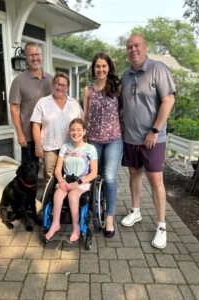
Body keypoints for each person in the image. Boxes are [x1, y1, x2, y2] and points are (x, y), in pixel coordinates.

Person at [120, 34, 176, 249]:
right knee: (134, 174)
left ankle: (161, 226)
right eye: (129, 47)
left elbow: (168, 100)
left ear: (145, 47)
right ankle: (135, 211)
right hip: (131, 138)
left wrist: (154, 130)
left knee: (156, 181)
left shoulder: (158, 69)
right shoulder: (126, 76)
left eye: (136, 45)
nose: (132, 49)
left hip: (153, 139)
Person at [83, 52, 123, 238]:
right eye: (97, 66)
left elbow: (124, 111)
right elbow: (85, 115)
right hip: (93, 141)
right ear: (93, 69)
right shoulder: (88, 90)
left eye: (104, 66)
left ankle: (109, 218)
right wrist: (82, 137)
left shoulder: (116, 87)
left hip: (114, 140)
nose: (100, 69)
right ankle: (92, 208)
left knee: (109, 178)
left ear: (109, 68)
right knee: (92, 177)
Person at [44, 118, 98, 243]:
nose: (75, 133)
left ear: (84, 131)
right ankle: (55, 224)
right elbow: (58, 171)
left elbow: (94, 173)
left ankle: (76, 228)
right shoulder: (65, 147)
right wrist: (61, 181)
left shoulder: (90, 149)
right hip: (66, 180)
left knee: (73, 195)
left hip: (82, 182)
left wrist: (77, 183)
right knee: (58, 194)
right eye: (73, 130)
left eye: (79, 130)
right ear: (69, 132)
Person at [30, 72, 83, 182]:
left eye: (63, 85)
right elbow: (35, 125)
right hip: (50, 148)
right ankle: (49, 199)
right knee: (50, 179)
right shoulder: (43, 102)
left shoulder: (74, 104)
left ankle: (66, 199)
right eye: (57, 84)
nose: (59, 87)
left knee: (70, 176)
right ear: (52, 85)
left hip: (70, 147)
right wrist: (38, 146)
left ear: (67, 88)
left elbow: (81, 124)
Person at [9, 42, 53, 162]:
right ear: (26, 58)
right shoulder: (18, 81)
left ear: (41, 55)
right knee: (30, 174)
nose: (35, 58)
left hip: (50, 134)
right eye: (31, 55)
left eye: (37, 54)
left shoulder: (51, 79)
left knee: (51, 172)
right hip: (28, 135)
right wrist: (20, 134)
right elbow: (14, 109)